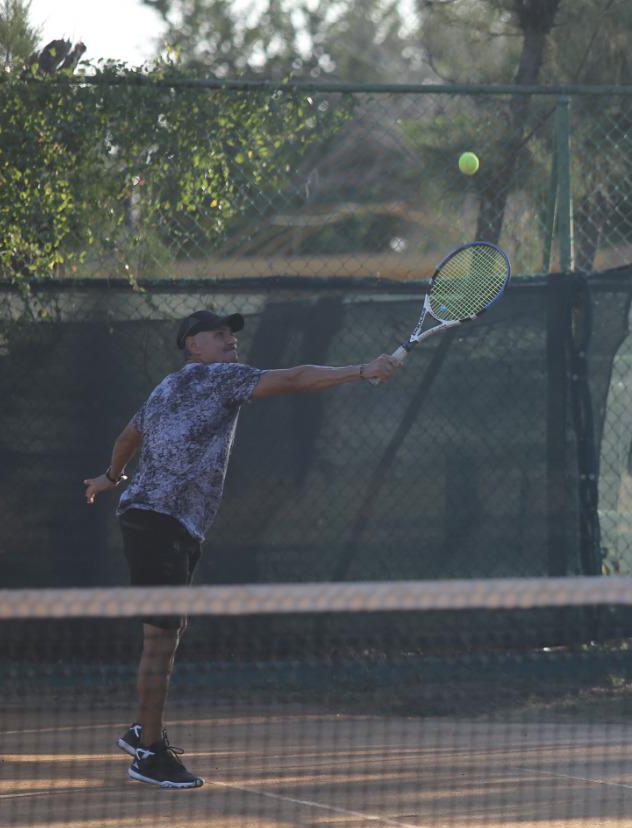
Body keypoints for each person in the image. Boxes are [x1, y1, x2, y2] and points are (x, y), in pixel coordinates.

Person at [83, 309, 401, 789]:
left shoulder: (165, 388)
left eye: (231, 334)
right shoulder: (221, 379)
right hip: (158, 519)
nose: (229, 339)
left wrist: (111, 476)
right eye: (218, 334)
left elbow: (128, 436)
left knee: (168, 631)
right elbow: (294, 378)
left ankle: (141, 731)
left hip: (164, 521)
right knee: (160, 637)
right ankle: (148, 752)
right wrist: (360, 370)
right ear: (193, 345)